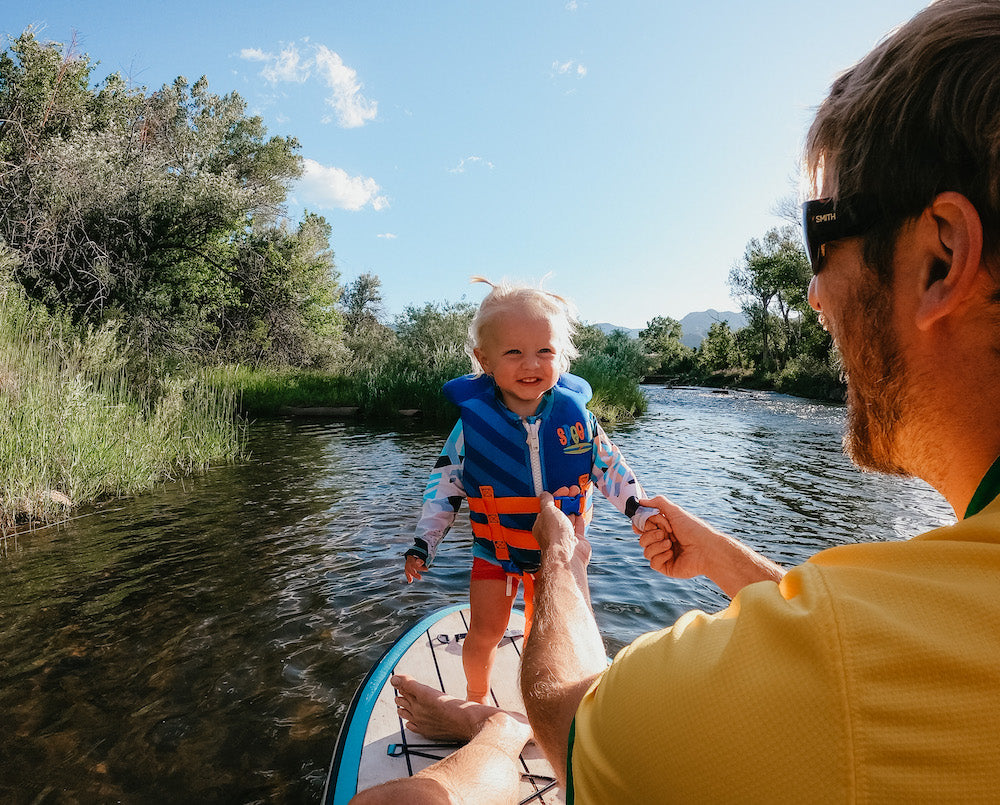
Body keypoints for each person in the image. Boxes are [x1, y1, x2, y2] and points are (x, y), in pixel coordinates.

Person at [520, 0, 1000, 800]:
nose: (813, 294)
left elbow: (570, 722)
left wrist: (560, 559)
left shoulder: (856, 664)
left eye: (821, 234)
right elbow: (884, 652)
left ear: (942, 255)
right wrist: (719, 560)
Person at [403, 277, 664, 703]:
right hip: (495, 555)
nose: (531, 364)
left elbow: (612, 470)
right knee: (485, 633)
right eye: (514, 352)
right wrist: (424, 543)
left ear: (561, 357)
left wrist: (641, 511)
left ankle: (543, 707)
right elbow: (444, 488)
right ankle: (475, 700)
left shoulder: (577, 419)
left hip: (558, 555)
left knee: (545, 636)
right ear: (483, 359)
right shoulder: (471, 427)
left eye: (545, 351)